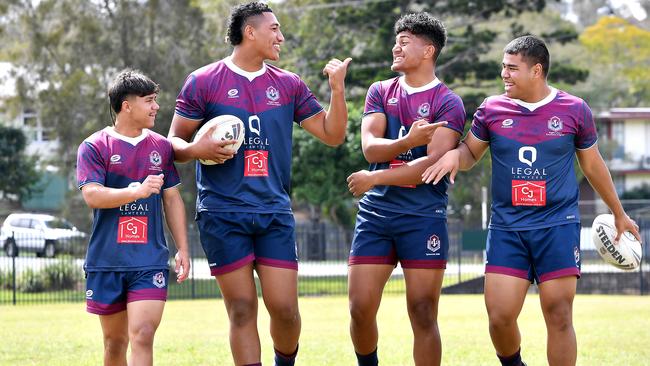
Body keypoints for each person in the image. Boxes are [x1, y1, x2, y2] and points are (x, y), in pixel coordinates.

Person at [422, 35, 642, 366]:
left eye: (512, 68)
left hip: (557, 224)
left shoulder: (575, 109)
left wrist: (619, 212)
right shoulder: (491, 108)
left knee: (558, 312)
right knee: (499, 317)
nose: (504, 75)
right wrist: (456, 157)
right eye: (502, 68)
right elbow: (470, 152)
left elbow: (593, 164)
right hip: (507, 227)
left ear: (536, 70)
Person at [167, 2, 351, 365]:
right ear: (250, 32)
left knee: (285, 310)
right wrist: (195, 148)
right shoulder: (203, 81)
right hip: (222, 211)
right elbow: (172, 143)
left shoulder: (288, 85)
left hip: (274, 211)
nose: (281, 37)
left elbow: (333, 134)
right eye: (274, 29)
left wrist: (338, 91)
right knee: (241, 308)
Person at [345, 12, 466, 366]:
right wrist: (409, 140)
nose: (395, 46)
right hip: (377, 215)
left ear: (428, 50)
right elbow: (370, 147)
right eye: (395, 39)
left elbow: (428, 169)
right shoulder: (380, 91)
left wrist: (374, 178)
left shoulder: (449, 102)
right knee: (359, 308)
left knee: (423, 310)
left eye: (404, 41)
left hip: (422, 215)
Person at [76, 69, 190, 366]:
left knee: (142, 333)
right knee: (115, 343)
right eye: (149, 101)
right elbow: (92, 195)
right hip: (107, 260)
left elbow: (172, 197)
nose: (156, 107)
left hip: (148, 259)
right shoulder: (94, 146)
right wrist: (136, 192)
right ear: (127, 106)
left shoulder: (161, 146)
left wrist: (183, 248)